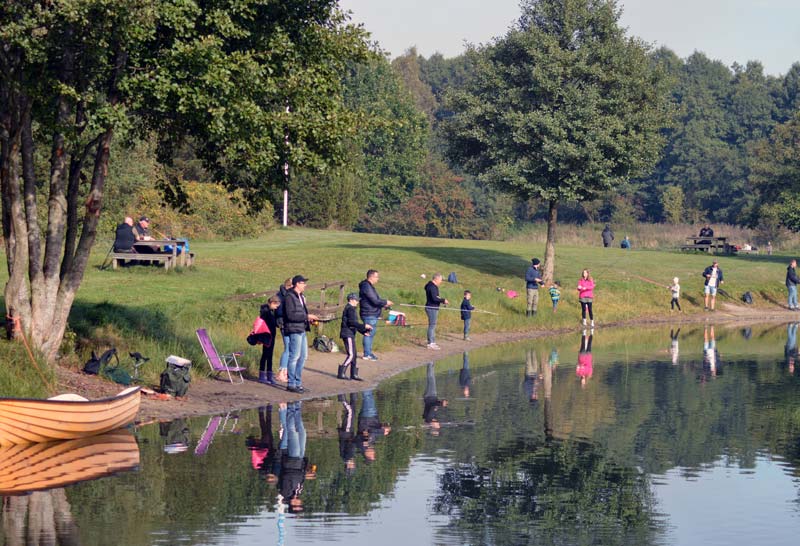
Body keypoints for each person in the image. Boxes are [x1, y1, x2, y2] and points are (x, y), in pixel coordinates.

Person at [282, 275, 319, 393]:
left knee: (303, 357)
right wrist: (307, 316)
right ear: (297, 283)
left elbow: (300, 313)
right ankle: (291, 383)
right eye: (303, 283)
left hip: (302, 329)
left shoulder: (301, 297)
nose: (305, 285)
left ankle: (298, 383)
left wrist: (308, 320)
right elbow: (290, 315)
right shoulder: (289, 297)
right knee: (294, 357)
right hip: (293, 329)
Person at [359, 269, 393, 361]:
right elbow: (374, 300)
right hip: (368, 313)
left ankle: (368, 353)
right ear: (372, 277)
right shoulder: (366, 286)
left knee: (371, 333)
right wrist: (385, 302)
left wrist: (384, 304)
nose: (378, 279)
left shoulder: (369, 286)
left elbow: (375, 300)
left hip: (372, 313)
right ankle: (367, 354)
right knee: (369, 333)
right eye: (377, 277)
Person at [338, 293, 372, 381]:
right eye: (356, 300)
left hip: (350, 333)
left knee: (354, 354)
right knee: (351, 354)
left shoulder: (351, 309)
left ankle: (353, 374)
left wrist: (363, 332)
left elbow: (354, 325)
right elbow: (352, 323)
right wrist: (365, 326)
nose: (357, 302)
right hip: (347, 333)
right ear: (351, 300)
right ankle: (341, 372)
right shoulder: (350, 309)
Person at [257, 296, 281, 385]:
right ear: (272, 303)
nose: (277, 307)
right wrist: (260, 338)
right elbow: (261, 325)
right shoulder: (265, 312)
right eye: (276, 305)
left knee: (270, 355)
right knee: (265, 355)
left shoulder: (271, 311)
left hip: (271, 336)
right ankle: (262, 375)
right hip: (266, 336)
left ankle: (269, 375)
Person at [276, 278, 293, 383]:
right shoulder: (281, 296)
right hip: (283, 324)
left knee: (290, 348)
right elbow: (278, 311)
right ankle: (281, 372)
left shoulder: (286, 295)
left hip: (288, 323)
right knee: (287, 348)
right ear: (290, 286)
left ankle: (285, 372)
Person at [424, 273, 448, 350]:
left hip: (433, 307)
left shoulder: (431, 286)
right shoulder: (432, 287)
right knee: (432, 325)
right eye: (440, 280)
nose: (441, 282)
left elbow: (435, 297)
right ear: (436, 279)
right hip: (431, 308)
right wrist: (443, 300)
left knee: (433, 325)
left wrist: (440, 300)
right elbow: (434, 298)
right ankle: (430, 343)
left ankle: (433, 342)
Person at [422, 362, 448, 432]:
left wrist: (441, 404)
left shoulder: (430, 417)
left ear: (433, 425)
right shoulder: (429, 418)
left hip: (430, 396)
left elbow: (433, 406)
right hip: (430, 397)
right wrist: (440, 403)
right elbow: (433, 405)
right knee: (431, 379)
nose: (438, 423)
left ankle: (430, 363)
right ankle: (431, 364)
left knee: (431, 379)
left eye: (437, 425)